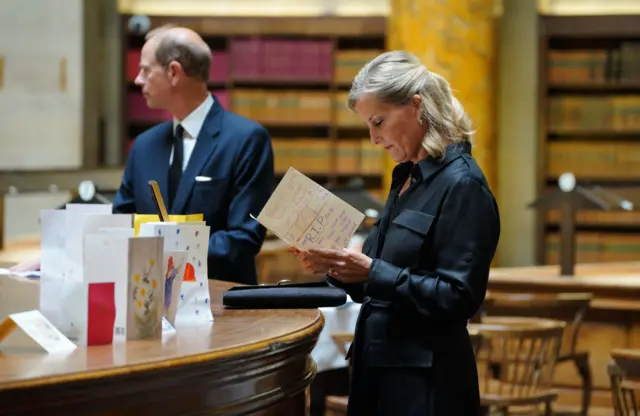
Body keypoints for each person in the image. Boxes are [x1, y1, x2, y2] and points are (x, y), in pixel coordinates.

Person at [290, 50, 500, 415]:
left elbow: (460, 296)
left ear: (416, 107)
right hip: (376, 370)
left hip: (426, 385)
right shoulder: (406, 177)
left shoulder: (463, 184)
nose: (373, 138)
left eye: (378, 122)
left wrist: (372, 272)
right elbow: (376, 281)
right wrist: (337, 265)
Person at [12, 26, 274, 286]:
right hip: (144, 302)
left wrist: (157, 249)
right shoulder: (144, 145)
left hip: (221, 303)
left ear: (173, 73)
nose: (138, 80)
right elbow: (120, 225)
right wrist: (61, 257)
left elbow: (243, 240)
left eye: (146, 70)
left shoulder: (246, 139)